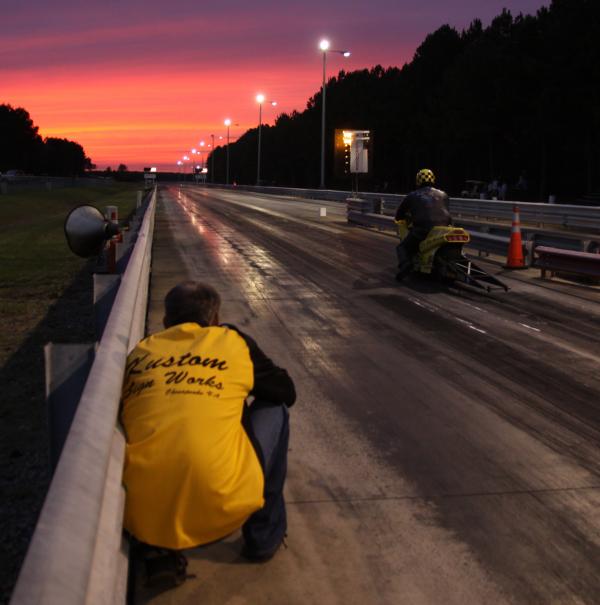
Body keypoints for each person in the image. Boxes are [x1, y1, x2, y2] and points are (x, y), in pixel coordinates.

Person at [120, 281, 296, 587]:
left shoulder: (142, 351)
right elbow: (285, 392)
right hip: (222, 500)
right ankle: (263, 538)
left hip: (140, 512)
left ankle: (159, 543)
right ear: (215, 319)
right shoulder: (232, 340)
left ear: (164, 321)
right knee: (274, 408)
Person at [394, 168, 452, 281]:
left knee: (402, 247)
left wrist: (405, 218)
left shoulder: (412, 195)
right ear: (433, 179)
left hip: (424, 229)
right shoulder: (444, 194)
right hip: (445, 229)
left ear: (418, 181)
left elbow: (399, 215)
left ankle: (406, 265)